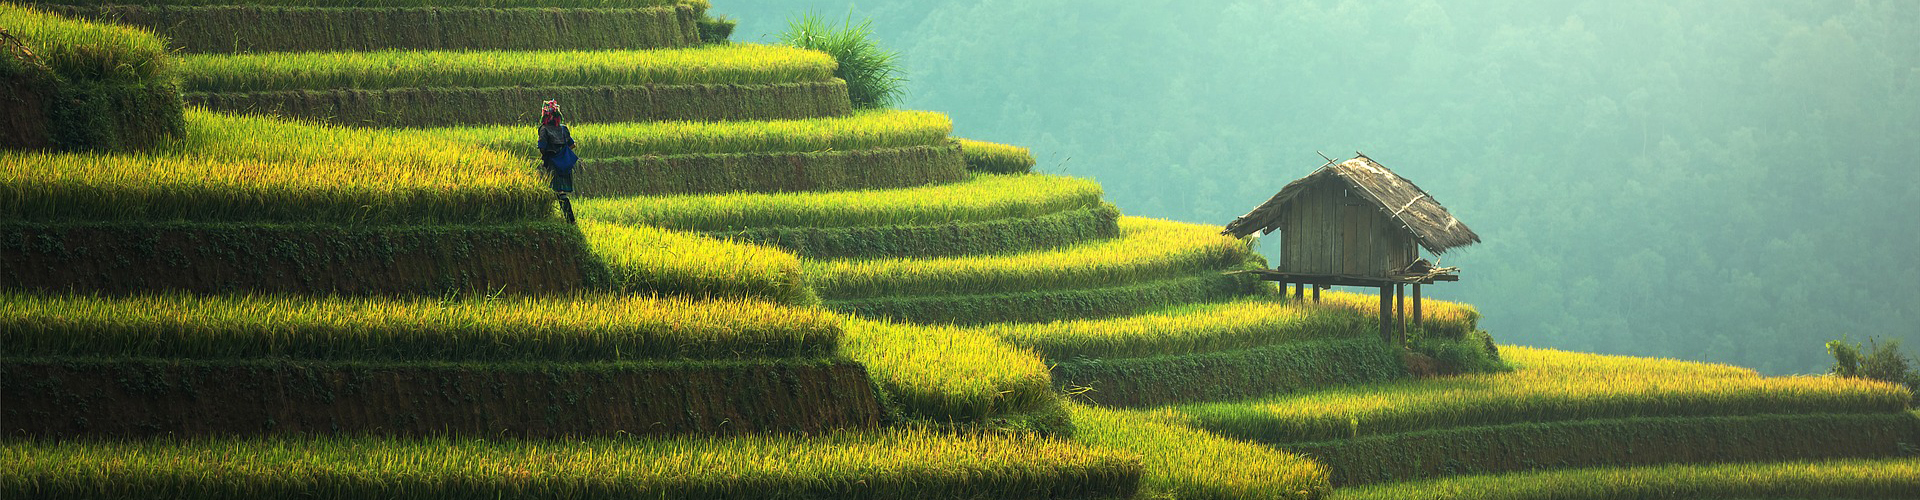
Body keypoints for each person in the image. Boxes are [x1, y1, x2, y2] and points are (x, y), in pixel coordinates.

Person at [536, 99, 578, 222]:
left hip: (553, 164)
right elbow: (572, 144)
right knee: (560, 191)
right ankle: (568, 219)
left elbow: (542, 147)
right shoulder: (563, 129)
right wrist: (562, 152)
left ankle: (568, 219)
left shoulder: (543, 129)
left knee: (555, 190)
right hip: (565, 163)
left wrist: (549, 156)